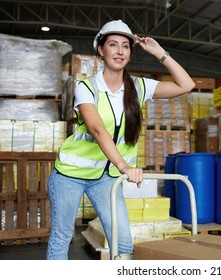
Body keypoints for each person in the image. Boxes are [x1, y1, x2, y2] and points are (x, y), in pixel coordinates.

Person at [46, 19, 195, 260]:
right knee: (62, 237)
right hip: (70, 174)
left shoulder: (138, 87)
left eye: (125, 46)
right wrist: (124, 166)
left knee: (123, 243)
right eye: (113, 45)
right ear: (101, 50)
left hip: (107, 178)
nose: (119, 51)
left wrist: (159, 53)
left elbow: (187, 85)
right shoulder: (87, 87)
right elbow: (97, 130)